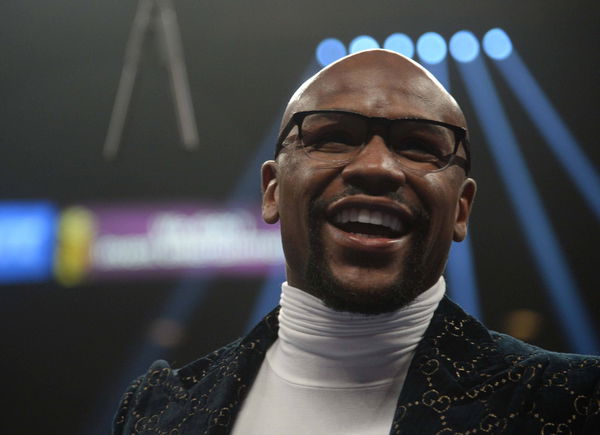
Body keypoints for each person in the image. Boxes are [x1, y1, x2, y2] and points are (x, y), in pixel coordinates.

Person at [113, 49, 599, 434]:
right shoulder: (160, 411)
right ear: (272, 191)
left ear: (461, 209)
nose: (376, 168)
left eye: (419, 146)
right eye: (333, 137)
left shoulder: (571, 402)